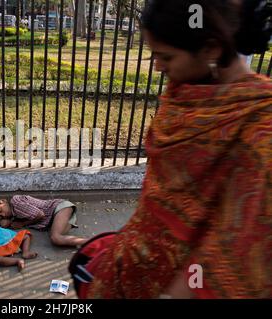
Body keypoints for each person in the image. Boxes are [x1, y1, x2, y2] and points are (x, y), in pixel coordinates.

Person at [77, 0, 272, 298]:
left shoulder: (259, 125)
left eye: (166, 56)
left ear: (211, 50)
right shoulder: (185, 93)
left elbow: (240, 247)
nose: (157, 65)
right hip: (136, 260)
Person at [0, 195, 89, 247]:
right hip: (56, 216)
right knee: (60, 238)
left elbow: (40, 215)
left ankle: (91, 243)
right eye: (0, 217)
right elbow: (0, 226)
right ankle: (88, 243)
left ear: (3, 201)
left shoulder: (16, 204)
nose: (3, 215)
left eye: (0, 210)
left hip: (59, 208)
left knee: (56, 238)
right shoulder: (13, 214)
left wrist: (22, 224)